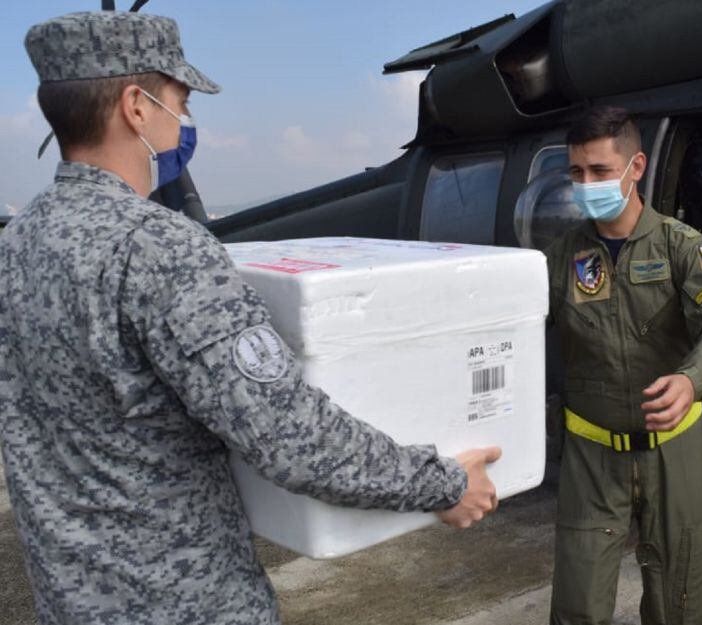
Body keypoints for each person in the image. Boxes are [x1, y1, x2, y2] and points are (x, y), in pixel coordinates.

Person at [0, 11, 499, 625]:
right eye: (180, 101)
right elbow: (290, 436)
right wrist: (443, 483)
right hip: (184, 605)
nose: (184, 121)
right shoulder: (158, 248)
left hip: (70, 601)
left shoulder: (16, 243)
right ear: (136, 106)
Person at [544, 106, 702, 625]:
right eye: (577, 173)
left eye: (600, 171)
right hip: (592, 451)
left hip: (672, 450)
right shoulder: (561, 256)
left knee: (677, 597)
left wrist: (692, 379)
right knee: (578, 600)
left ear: (635, 167)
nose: (587, 184)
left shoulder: (680, 246)